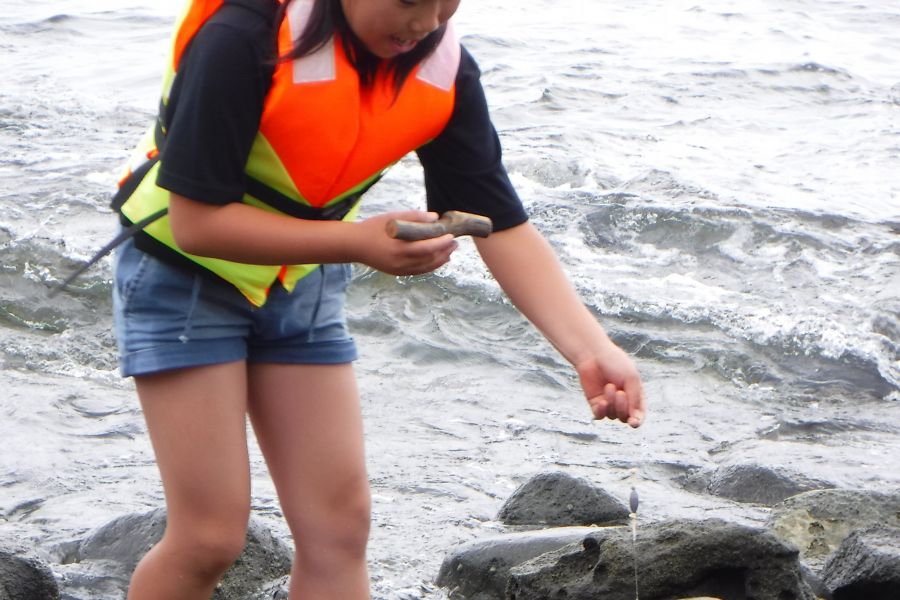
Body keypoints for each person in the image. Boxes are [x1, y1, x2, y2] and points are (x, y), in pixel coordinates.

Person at [110, 0, 645, 598]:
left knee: (339, 532)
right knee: (209, 537)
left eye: (446, 1)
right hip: (182, 276)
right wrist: (359, 243)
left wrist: (591, 349)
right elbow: (196, 224)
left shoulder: (445, 69)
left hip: (300, 284)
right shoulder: (241, 37)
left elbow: (502, 224)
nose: (426, 22)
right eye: (410, 0)